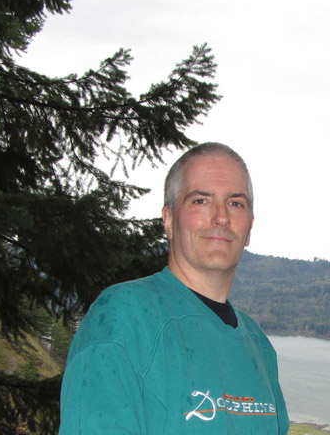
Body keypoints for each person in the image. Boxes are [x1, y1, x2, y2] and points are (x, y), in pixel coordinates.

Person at [59, 142, 289, 434]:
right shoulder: (123, 318)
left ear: (249, 227)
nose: (221, 217)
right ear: (168, 220)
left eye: (236, 203)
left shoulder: (258, 345)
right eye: (200, 201)